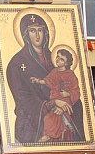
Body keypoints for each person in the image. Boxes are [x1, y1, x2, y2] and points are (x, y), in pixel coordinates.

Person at [6, 13, 70, 143]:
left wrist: (63, 100)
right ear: (25, 35)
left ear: (45, 32)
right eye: (32, 31)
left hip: (59, 111)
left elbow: (67, 83)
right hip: (32, 122)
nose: (37, 35)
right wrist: (51, 103)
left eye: (40, 30)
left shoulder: (55, 59)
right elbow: (22, 98)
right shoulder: (17, 63)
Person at [31, 48, 81, 142]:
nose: (58, 59)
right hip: (55, 102)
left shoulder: (70, 75)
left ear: (66, 63)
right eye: (58, 57)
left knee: (54, 118)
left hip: (66, 102)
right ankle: (51, 136)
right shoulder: (54, 72)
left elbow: (76, 91)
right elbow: (47, 81)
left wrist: (68, 94)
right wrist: (37, 81)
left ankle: (50, 136)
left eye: (62, 59)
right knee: (48, 118)